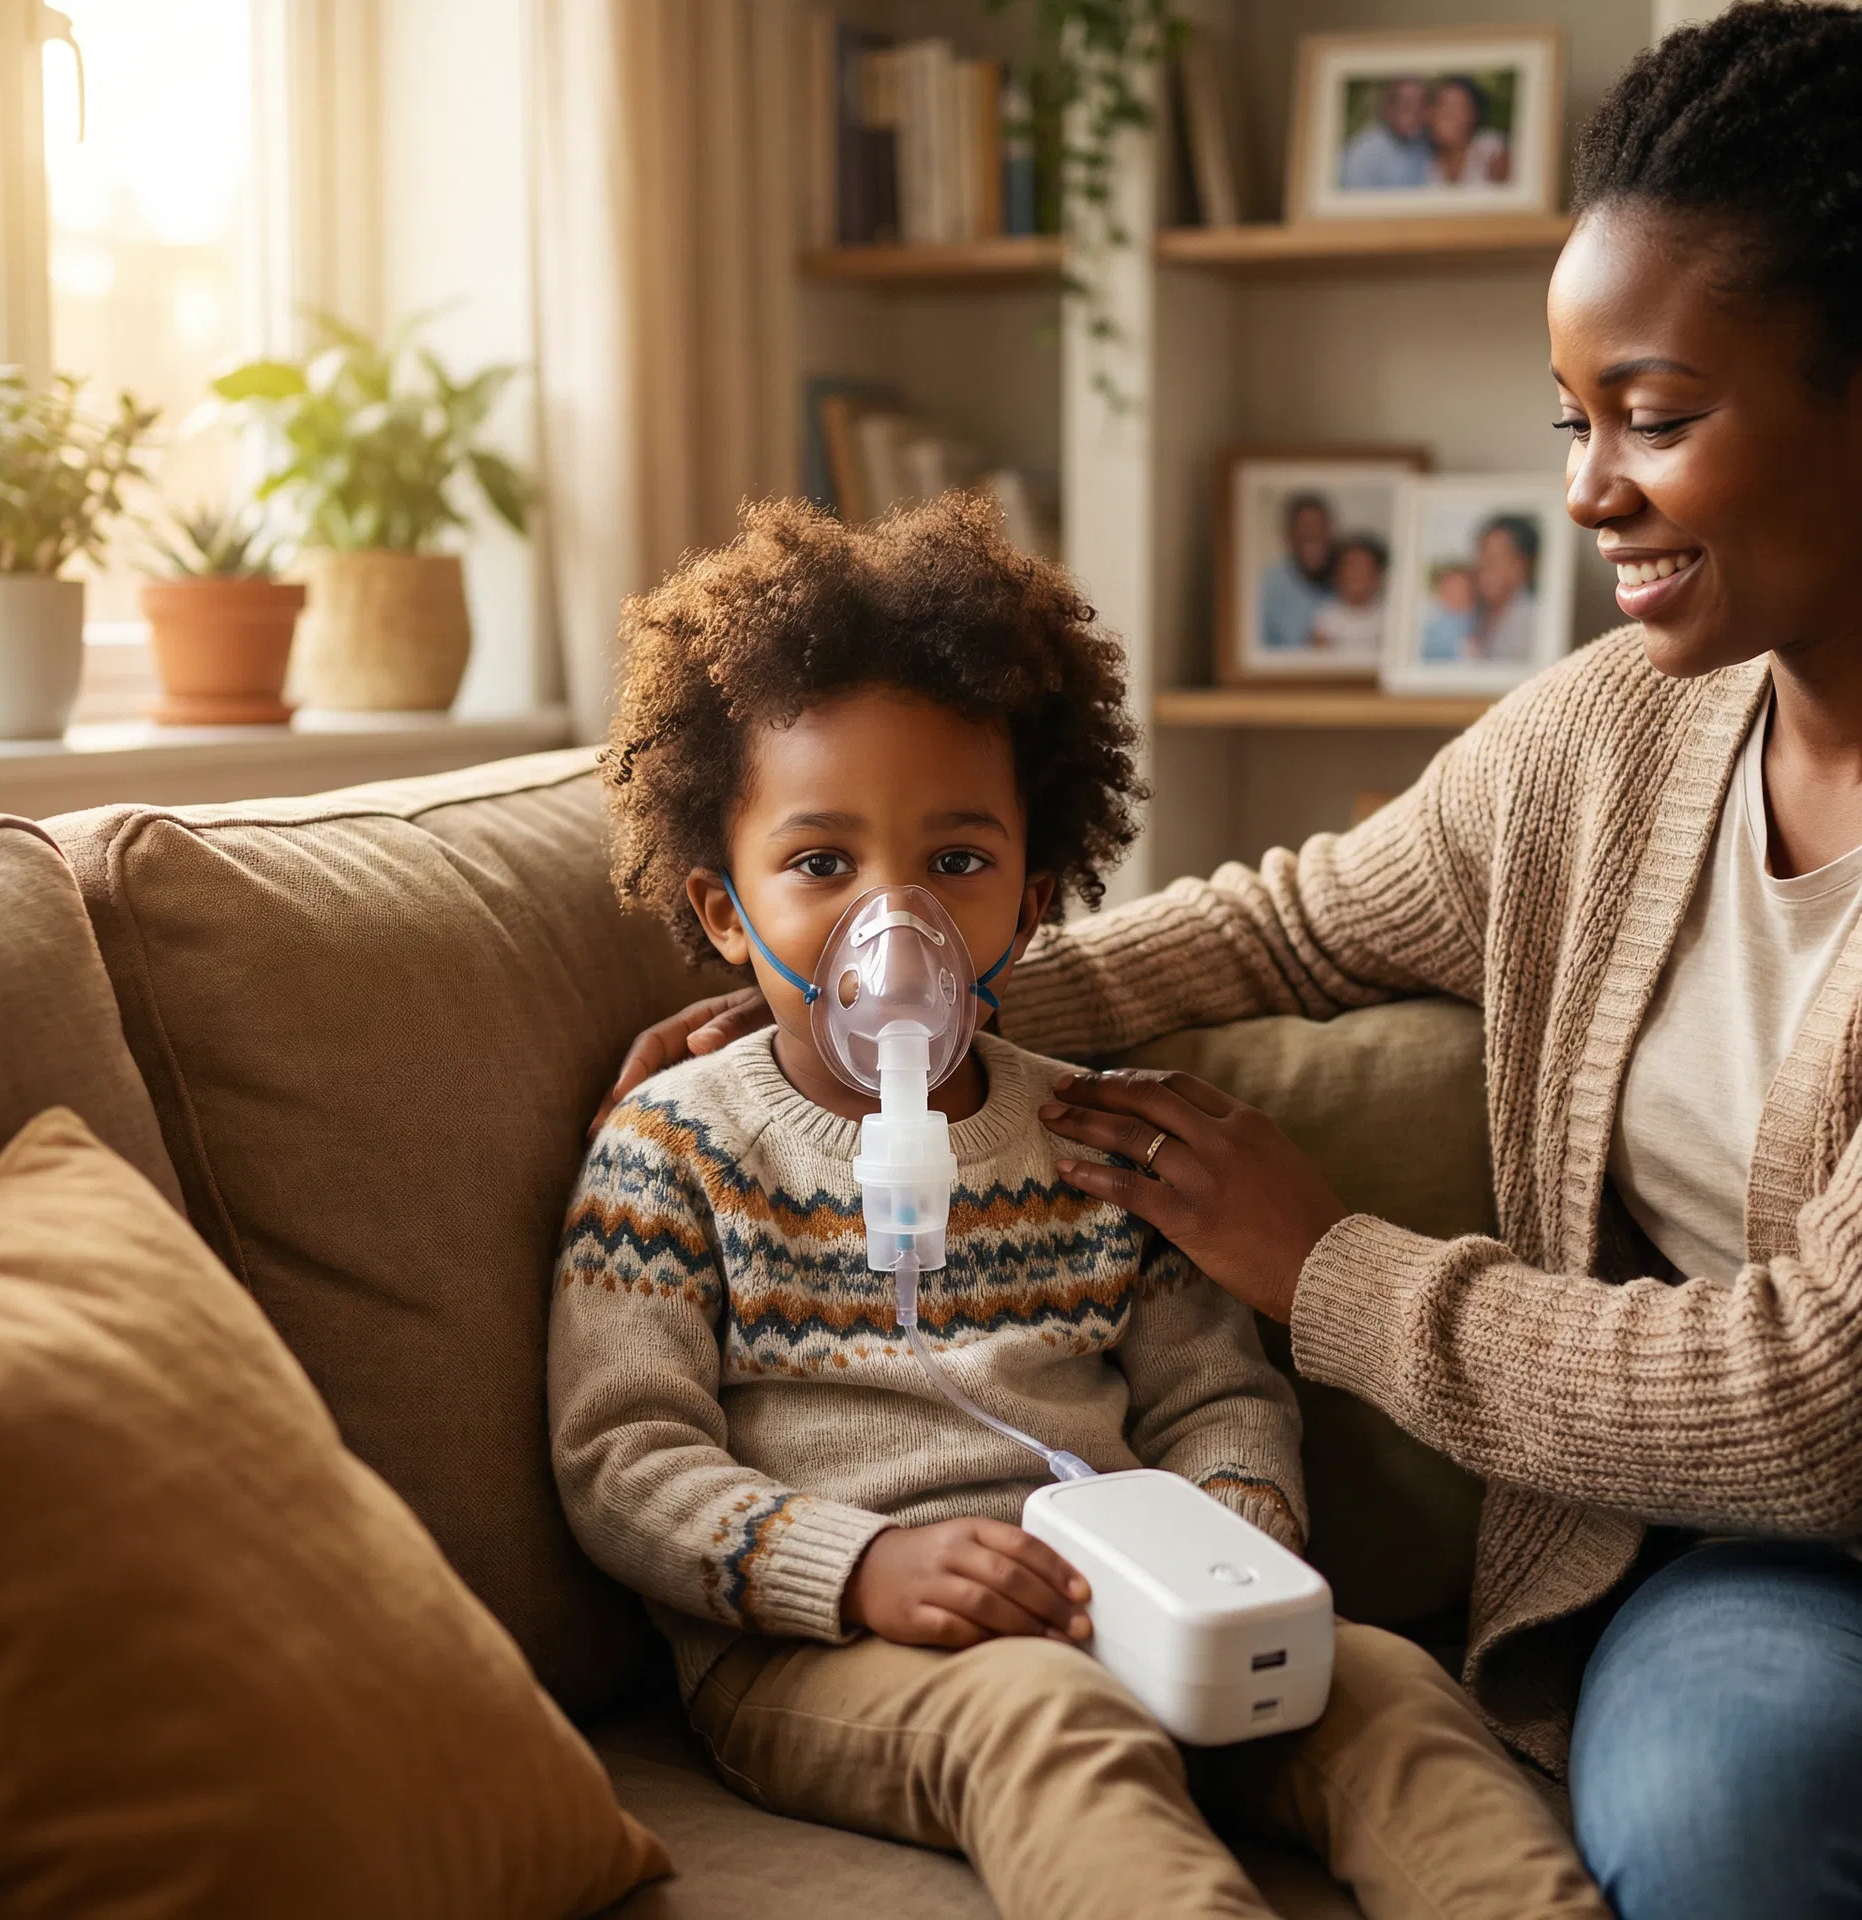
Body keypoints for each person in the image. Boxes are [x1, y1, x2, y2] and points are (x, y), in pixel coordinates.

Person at [594, 10, 1862, 1916]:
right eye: (1572, 424)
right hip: (1737, 1573)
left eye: (1658, 419)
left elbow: (1820, 1400)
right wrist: (933, 1004)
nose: (1590, 492)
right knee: (1718, 1815)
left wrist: (1331, 1279)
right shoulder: (1607, 745)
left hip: (1804, 1479)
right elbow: (1291, 922)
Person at [555, 495, 1608, 1920]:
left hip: (1137, 1599)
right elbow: (623, 1455)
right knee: (1055, 1723)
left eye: (957, 862)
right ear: (727, 911)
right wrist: (855, 1567)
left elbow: (1216, 1392)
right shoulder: (674, 1148)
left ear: (1032, 902)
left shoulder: (1087, 1132)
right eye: (821, 865)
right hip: (823, 1650)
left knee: (1384, 1688)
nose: (895, 920)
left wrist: (1231, 1535)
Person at [1257, 491, 1335, 653]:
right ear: (1288, 535)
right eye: (1303, 529)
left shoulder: (1347, 576)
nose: (1313, 534)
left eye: (1319, 527)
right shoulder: (1269, 587)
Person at [1465, 515, 1538, 663]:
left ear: (1521, 565)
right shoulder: (1470, 613)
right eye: (1481, 556)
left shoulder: (1533, 622)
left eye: (1495, 558)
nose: (1483, 566)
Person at [1338, 77, 1433, 191]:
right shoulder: (1362, 154)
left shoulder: (1423, 143)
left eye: (1420, 104)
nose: (1415, 112)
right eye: (1407, 105)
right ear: (1390, 108)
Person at [1307, 534, 1389, 660]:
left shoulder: (1389, 618)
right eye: (1351, 568)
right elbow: (1317, 664)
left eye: (1364, 569)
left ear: (1377, 577)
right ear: (1337, 575)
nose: (1357, 576)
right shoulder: (1325, 619)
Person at [1428, 76, 1511, 187]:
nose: (1447, 115)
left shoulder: (1491, 150)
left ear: (1473, 116)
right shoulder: (1424, 158)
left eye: (1457, 108)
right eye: (1441, 105)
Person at [1419, 562, 1477, 662]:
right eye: (1452, 588)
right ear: (1441, 593)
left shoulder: (1477, 619)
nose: (1458, 593)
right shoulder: (1434, 629)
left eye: (1462, 587)